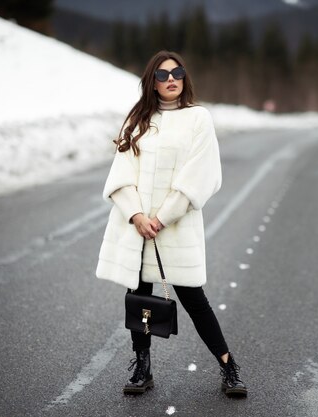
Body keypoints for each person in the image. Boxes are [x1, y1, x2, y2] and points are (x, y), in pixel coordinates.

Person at [95, 50, 247, 397]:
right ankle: (142, 368)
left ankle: (228, 365)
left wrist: (161, 218)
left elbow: (200, 176)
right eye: (162, 75)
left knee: (194, 299)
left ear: (184, 76)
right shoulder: (137, 120)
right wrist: (136, 215)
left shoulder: (198, 118)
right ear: (152, 81)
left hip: (173, 228)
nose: (171, 79)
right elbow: (121, 174)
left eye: (176, 72)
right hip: (136, 230)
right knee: (138, 299)